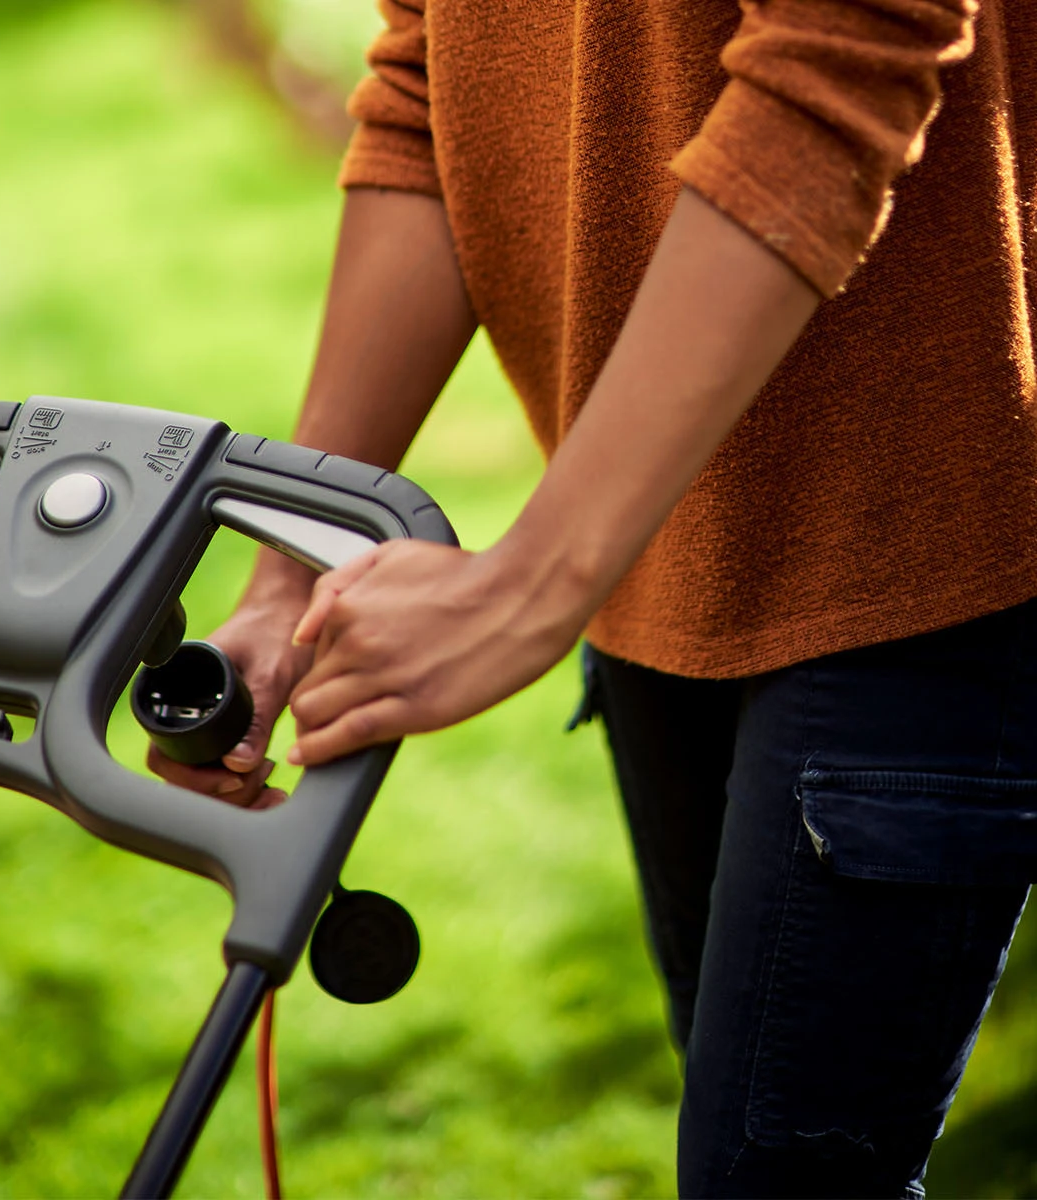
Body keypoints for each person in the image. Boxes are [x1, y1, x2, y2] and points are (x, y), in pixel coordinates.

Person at [150, 0, 1036, 1193]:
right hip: (664, 561)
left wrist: (534, 579)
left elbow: (836, 62)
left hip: (911, 551)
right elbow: (435, 84)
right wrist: (287, 568)